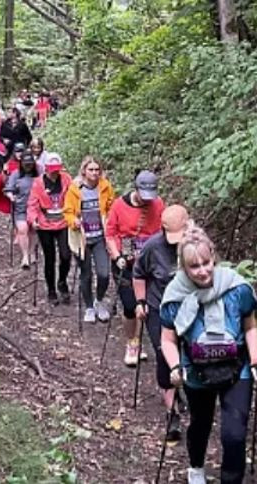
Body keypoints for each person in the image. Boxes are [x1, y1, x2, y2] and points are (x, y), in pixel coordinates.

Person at [160, 229, 257, 484]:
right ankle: (196, 467)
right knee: (200, 424)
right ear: (183, 267)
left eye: (206, 263)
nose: (203, 271)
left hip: (236, 368)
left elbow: (250, 327)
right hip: (196, 372)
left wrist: (256, 362)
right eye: (194, 266)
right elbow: (168, 338)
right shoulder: (175, 295)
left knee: (235, 435)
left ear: (214, 258)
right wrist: (175, 367)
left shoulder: (237, 288)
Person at [133, 204, 193, 441]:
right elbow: (139, 274)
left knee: (188, 353)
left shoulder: (196, 245)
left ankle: (187, 392)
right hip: (159, 307)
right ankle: (172, 413)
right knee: (163, 355)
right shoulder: (152, 247)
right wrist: (140, 301)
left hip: (189, 309)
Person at [105, 170, 165, 367]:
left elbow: (164, 231)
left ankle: (144, 341)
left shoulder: (158, 204)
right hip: (126, 262)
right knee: (130, 305)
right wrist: (117, 255)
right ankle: (132, 341)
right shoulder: (119, 206)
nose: (148, 200)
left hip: (150, 262)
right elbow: (111, 233)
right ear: (136, 189)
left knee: (149, 303)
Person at [64, 156, 116, 323]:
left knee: (103, 274)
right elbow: (68, 212)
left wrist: (110, 220)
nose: (94, 173)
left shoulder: (105, 187)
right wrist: (74, 221)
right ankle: (89, 307)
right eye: (91, 169)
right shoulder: (75, 189)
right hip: (82, 238)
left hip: (101, 237)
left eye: (96, 170)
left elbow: (112, 207)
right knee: (86, 274)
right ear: (84, 171)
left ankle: (99, 301)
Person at [28, 152, 72, 305]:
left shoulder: (66, 179)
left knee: (66, 255)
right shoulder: (38, 183)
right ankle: (51, 289)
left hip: (63, 222)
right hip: (45, 224)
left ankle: (62, 281)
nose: (55, 171)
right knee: (50, 258)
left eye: (57, 168)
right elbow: (32, 204)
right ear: (46, 168)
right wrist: (33, 220)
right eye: (52, 168)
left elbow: (73, 198)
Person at [3, 151, 38, 270]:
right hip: (20, 207)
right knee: (23, 229)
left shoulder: (38, 175)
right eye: (26, 164)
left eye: (30, 164)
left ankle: (32, 251)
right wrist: (11, 196)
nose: (28, 166)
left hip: (35, 208)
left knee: (33, 231)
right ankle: (25, 256)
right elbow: (8, 189)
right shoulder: (16, 174)